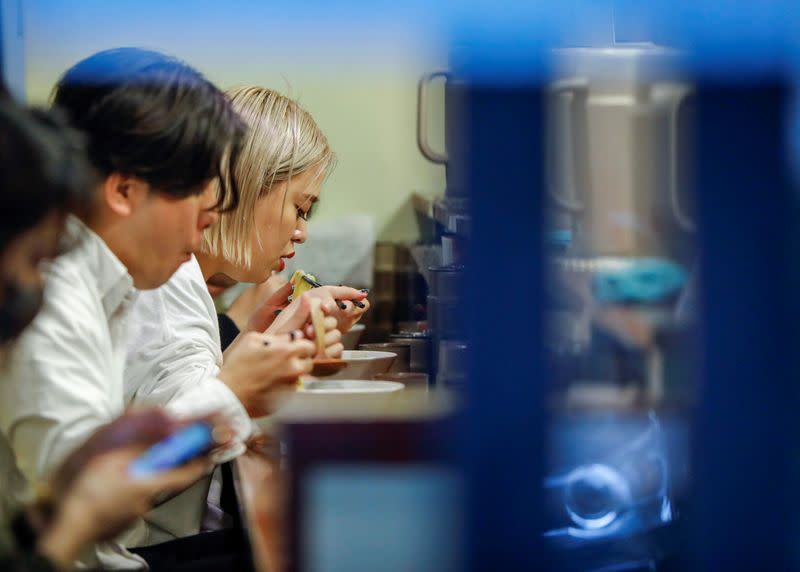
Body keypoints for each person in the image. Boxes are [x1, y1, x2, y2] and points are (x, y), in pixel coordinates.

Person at [0, 47, 251, 569]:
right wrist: (232, 395)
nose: (215, 205)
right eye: (199, 180)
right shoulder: (55, 296)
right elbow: (83, 507)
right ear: (124, 188)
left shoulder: (108, 282)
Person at [126, 86, 369, 426]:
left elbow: (186, 396)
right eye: (300, 208)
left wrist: (259, 340)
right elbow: (164, 458)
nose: (302, 232)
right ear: (247, 187)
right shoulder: (168, 290)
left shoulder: (180, 280)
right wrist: (276, 345)